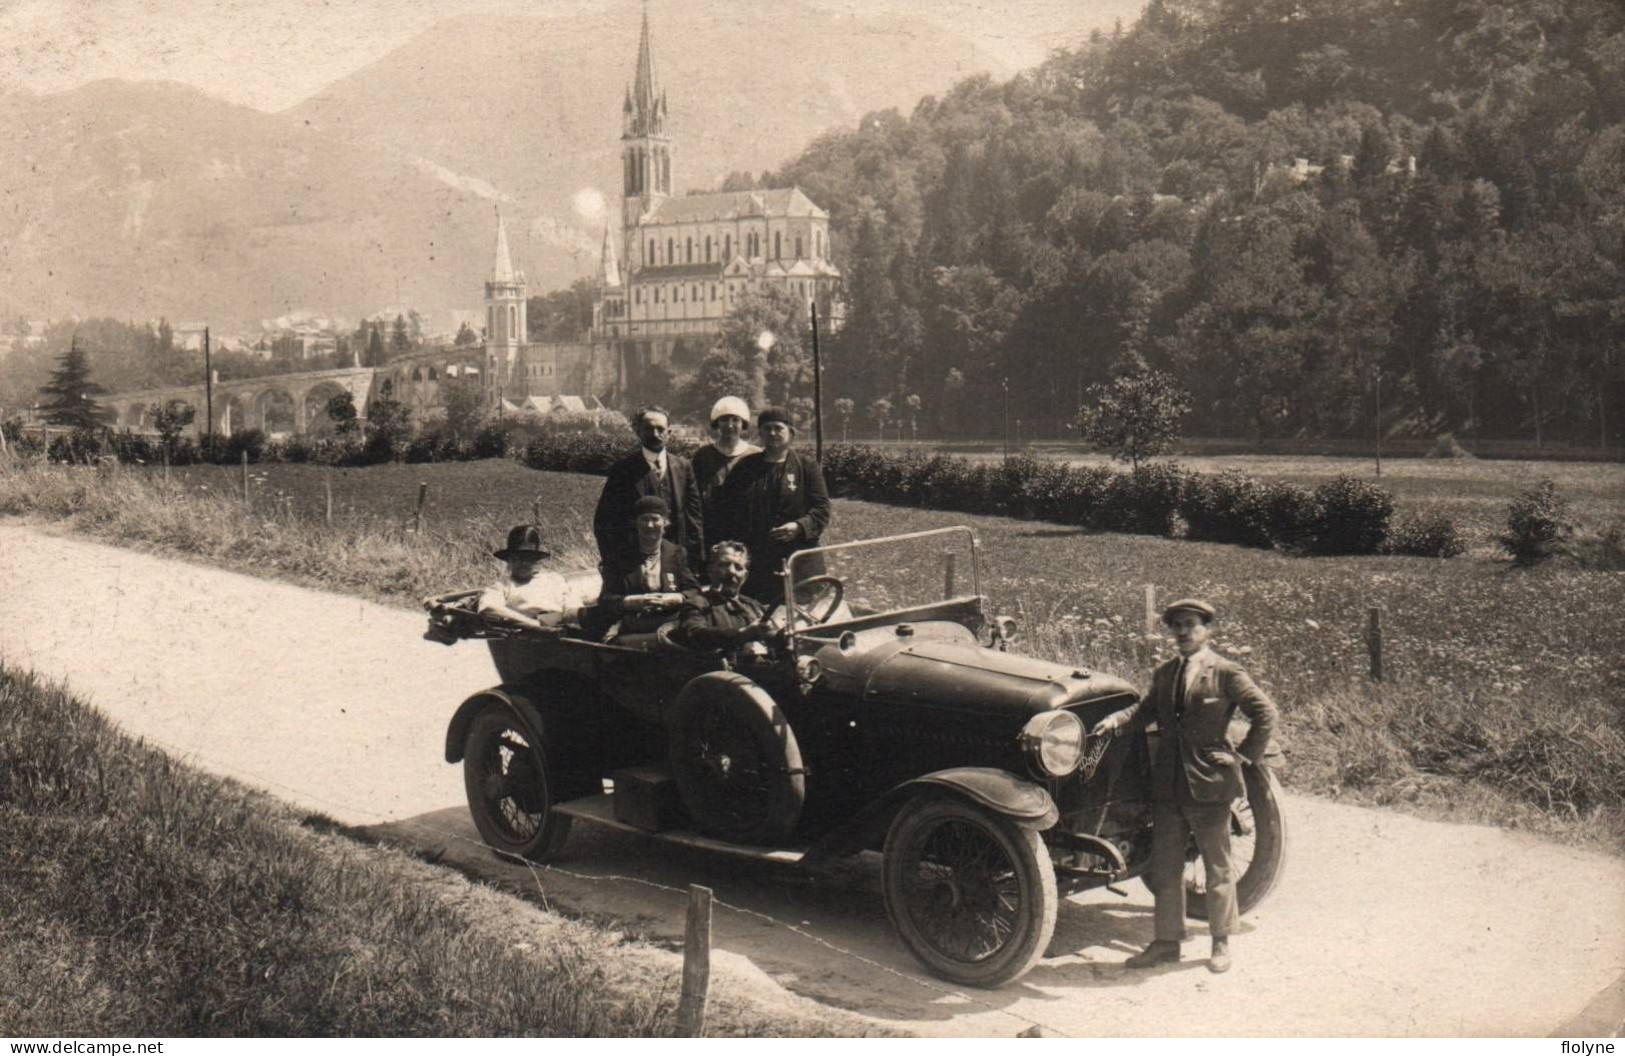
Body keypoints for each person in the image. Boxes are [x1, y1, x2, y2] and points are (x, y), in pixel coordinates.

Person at [1090, 598, 1277, 975]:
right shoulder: (1165, 673)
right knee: (1166, 867)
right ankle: (1166, 943)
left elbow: (1265, 713)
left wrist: (1242, 757)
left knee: (1217, 866)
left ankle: (1220, 941)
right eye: (1177, 626)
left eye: (1191, 625)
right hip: (1168, 785)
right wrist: (1114, 721)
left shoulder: (1225, 672)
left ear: (1206, 630)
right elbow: (1143, 713)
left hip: (1210, 785)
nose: (1183, 632)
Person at [712, 406, 831, 604]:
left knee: (800, 613)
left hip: (797, 558)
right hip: (758, 558)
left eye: (778, 428)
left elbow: (822, 509)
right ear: (760, 433)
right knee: (756, 613)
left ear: (790, 432)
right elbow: (726, 509)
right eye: (767, 429)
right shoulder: (746, 467)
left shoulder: (806, 466)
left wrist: (799, 526)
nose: (773, 433)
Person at [592, 405, 702, 564]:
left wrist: (694, 560)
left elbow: (694, 519)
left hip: (676, 560)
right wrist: (613, 563)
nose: (655, 434)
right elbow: (605, 520)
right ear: (638, 431)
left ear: (669, 433)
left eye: (660, 429)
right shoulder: (623, 470)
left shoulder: (683, 468)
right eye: (648, 429)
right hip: (634, 562)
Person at [589, 495, 699, 636]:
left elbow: (694, 592)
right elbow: (606, 600)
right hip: (631, 626)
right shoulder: (620, 556)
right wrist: (632, 602)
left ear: (666, 522)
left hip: (670, 625)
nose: (649, 525)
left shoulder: (677, 554)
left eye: (655, 519)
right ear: (635, 523)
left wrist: (676, 598)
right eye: (644, 519)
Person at [477, 524, 585, 632]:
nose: (524, 563)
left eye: (529, 558)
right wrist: (533, 624)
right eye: (518, 558)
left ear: (536, 560)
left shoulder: (554, 579)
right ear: (509, 560)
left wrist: (572, 617)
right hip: (528, 635)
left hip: (563, 632)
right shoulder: (501, 587)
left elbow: (573, 605)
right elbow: (489, 608)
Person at [690, 395, 761, 554]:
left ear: (743, 423)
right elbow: (693, 495)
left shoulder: (755, 455)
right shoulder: (703, 455)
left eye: (735, 420)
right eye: (724, 420)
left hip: (747, 527)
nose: (730, 425)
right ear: (717, 423)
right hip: (713, 526)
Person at [676, 541, 773, 651]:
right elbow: (695, 634)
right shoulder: (696, 603)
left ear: (745, 576)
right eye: (724, 565)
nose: (731, 572)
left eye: (738, 567)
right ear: (710, 570)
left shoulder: (754, 606)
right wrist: (742, 634)